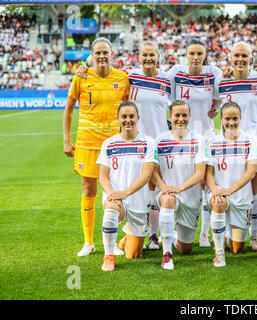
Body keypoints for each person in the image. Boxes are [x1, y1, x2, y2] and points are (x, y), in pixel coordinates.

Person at [75, 41, 174, 251]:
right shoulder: (130, 75)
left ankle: (154, 236)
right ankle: (135, 233)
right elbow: (102, 58)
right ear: (138, 56)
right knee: (143, 188)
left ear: (159, 56)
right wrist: (85, 64)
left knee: (155, 188)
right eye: (144, 55)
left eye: (152, 55)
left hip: (160, 141)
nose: (148, 59)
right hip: (135, 141)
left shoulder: (168, 78)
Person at [63, 37, 129, 257]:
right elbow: (69, 109)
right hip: (87, 143)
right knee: (88, 190)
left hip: (115, 145)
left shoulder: (122, 78)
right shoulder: (81, 77)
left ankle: (113, 240)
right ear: (93, 55)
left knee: (116, 191)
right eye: (98, 52)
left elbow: (129, 111)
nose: (102, 56)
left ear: (112, 54)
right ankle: (88, 242)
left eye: (105, 52)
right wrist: (66, 139)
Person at [166, 37, 222, 248]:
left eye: (200, 53)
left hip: (206, 134)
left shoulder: (214, 73)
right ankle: (165, 231)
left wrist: (214, 106)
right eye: (192, 53)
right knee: (176, 178)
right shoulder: (175, 73)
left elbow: (219, 95)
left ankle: (205, 234)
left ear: (205, 54)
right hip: (180, 136)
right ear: (186, 54)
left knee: (205, 182)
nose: (196, 57)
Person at [213, 41, 257, 251]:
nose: (240, 60)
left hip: (253, 141)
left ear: (251, 58)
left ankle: (253, 237)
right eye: (237, 56)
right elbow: (214, 104)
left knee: (253, 188)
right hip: (226, 142)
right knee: (221, 183)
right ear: (230, 58)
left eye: (245, 56)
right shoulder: (221, 79)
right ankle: (217, 232)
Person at [97, 102, 156, 271]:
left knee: (133, 254)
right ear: (118, 119)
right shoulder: (109, 143)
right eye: (124, 116)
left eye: (131, 116)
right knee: (110, 210)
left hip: (137, 200)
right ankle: (108, 256)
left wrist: (125, 193)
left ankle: (126, 238)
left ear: (138, 118)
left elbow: (146, 175)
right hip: (116, 198)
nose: (128, 120)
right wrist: (111, 194)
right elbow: (103, 176)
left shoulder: (148, 142)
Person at [152, 100, 207, 270]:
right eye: (177, 115)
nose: (181, 119)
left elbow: (200, 173)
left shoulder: (198, 139)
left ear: (190, 116)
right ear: (170, 116)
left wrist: (179, 188)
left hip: (190, 196)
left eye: (184, 115)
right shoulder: (160, 140)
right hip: (167, 193)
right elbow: (152, 170)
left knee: (185, 249)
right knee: (168, 200)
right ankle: (167, 254)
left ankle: (171, 234)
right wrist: (164, 187)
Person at [205, 102, 257, 267]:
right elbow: (208, 173)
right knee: (219, 203)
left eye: (235, 119)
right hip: (221, 195)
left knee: (237, 248)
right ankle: (219, 253)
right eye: (227, 119)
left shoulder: (250, 140)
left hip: (240, 197)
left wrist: (230, 190)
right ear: (221, 119)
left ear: (241, 118)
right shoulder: (213, 141)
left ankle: (226, 230)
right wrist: (215, 190)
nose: (231, 123)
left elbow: (251, 172)